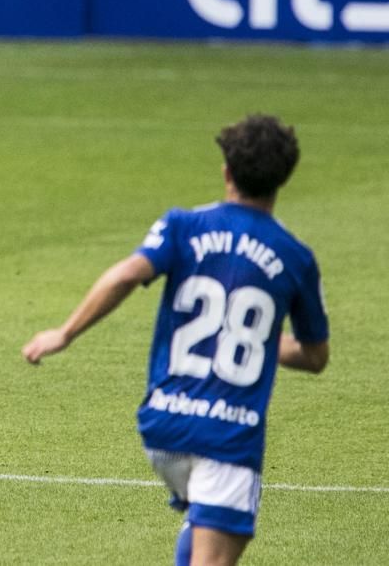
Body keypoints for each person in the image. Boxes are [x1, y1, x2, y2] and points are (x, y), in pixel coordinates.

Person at [22, 114, 329, 566]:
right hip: (227, 434)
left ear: (227, 172)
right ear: (284, 179)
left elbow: (127, 274)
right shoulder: (296, 257)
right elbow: (315, 356)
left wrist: (64, 332)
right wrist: (265, 343)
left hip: (162, 427)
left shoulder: (182, 225)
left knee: (202, 530)